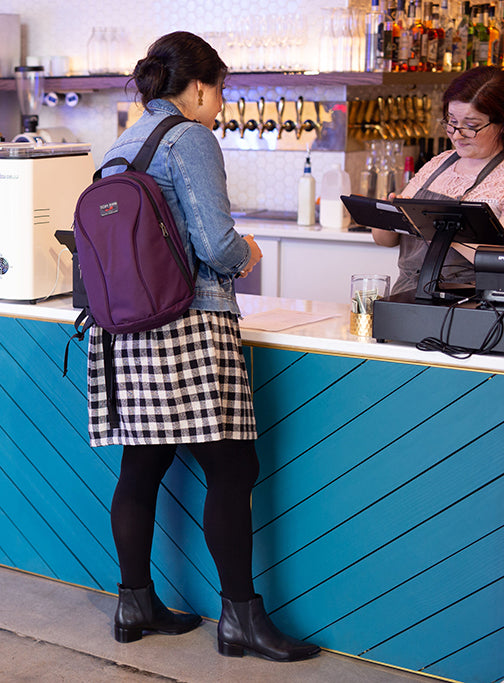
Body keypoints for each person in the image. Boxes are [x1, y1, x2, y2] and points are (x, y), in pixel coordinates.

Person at [88, 31, 320, 662]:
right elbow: (216, 244)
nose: (218, 104)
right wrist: (249, 256)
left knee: (142, 464)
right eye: (219, 90)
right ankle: (241, 619)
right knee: (232, 468)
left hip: (126, 328)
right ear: (197, 87)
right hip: (190, 323)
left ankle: (135, 602)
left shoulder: (124, 143)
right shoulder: (190, 137)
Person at [373, 66, 504, 296]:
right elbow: (384, 240)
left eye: (471, 126)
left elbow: (498, 260)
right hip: (405, 296)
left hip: (467, 305)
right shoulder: (440, 163)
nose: (456, 134)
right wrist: (388, 214)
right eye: (452, 121)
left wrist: (444, 232)